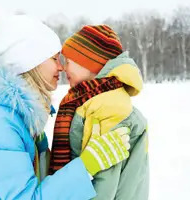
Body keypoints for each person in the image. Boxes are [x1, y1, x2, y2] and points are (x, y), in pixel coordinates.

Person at [0, 15, 130, 200]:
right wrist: (87, 165)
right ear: (32, 62)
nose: (61, 67)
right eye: (54, 58)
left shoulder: (15, 114)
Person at [50, 25, 149, 200]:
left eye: (69, 61)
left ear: (89, 63)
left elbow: (105, 181)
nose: (64, 68)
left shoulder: (107, 106)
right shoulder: (91, 99)